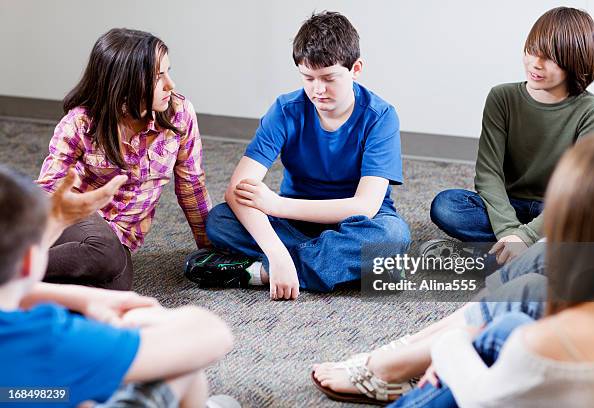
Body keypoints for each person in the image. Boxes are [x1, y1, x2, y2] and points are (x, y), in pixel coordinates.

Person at [313, 132, 594, 407]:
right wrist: (512, 230)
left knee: (517, 306)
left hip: (496, 378)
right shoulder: (507, 96)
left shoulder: (538, 346)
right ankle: (408, 350)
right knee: (529, 269)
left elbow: (483, 397)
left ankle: (393, 364)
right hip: (516, 217)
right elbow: (489, 173)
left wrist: (451, 346)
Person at [184, 11, 410, 300]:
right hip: (297, 221)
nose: (318, 90)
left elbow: (364, 206)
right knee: (220, 221)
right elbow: (237, 190)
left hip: (356, 222)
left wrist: (277, 206)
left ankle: (259, 273)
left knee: (392, 237)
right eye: (308, 78)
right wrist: (277, 252)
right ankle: (350, 268)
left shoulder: (381, 116)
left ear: (356, 69)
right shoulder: (285, 109)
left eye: (329, 78)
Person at [0, 165, 238, 408]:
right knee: (182, 364)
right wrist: (144, 320)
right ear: (29, 261)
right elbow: (212, 334)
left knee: (60, 393)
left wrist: (80, 297)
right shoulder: (49, 337)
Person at [424, 7, 594, 266]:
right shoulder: (502, 98)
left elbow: (577, 193)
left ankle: (485, 260)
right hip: (507, 206)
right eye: (532, 50)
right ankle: (530, 258)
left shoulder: (593, 111)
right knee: (446, 206)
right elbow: (488, 174)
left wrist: (527, 235)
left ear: (575, 62)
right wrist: (512, 232)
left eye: (550, 58)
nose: (536, 63)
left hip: (557, 209)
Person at [37, 28, 212, 290]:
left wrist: (210, 248)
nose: (170, 84)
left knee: (116, 284)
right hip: (74, 220)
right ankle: (14, 265)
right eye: (158, 76)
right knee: (103, 252)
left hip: (119, 241)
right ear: (125, 82)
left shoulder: (179, 114)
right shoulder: (80, 122)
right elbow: (49, 189)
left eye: (169, 71)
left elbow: (192, 186)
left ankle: (23, 284)